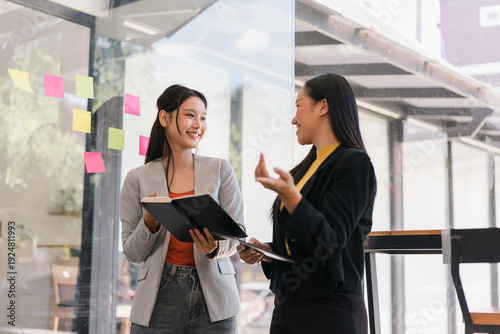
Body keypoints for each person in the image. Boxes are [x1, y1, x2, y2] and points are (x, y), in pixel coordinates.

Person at [238, 73, 376, 334]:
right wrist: (266, 251)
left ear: (322, 106)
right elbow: (301, 245)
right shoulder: (305, 170)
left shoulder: (354, 164)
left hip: (329, 312)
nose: (293, 119)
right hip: (288, 308)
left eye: (298, 105)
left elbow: (330, 243)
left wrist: (291, 197)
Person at [120, 84, 244, 333]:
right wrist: (149, 224)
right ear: (164, 117)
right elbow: (132, 253)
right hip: (158, 298)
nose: (198, 124)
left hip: (215, 297)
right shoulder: (137, 179)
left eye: (203, 117)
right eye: (190, 115)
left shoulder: (220, 170)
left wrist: (215, 247)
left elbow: (237, 236)